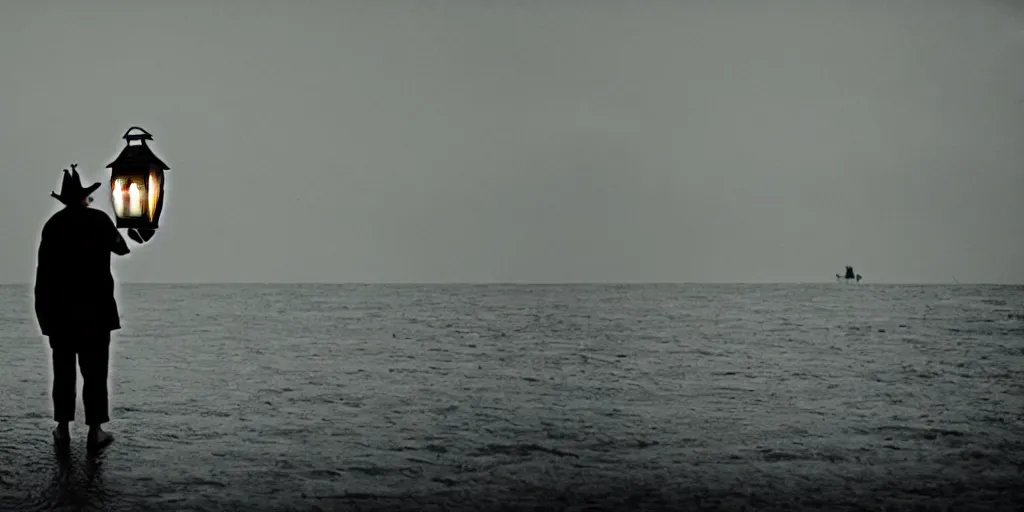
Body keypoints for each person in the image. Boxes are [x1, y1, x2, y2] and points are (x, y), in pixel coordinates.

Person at [34, 164, 131, 451]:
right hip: (96, 312)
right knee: (95, 372)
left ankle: (62, 429)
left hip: (60, 313)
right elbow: (122, 248)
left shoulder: (53, 226)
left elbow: (43, 275)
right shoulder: (99, 221)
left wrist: (44, 316)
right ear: (84, 198)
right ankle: (95, 431)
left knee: (63, 372)